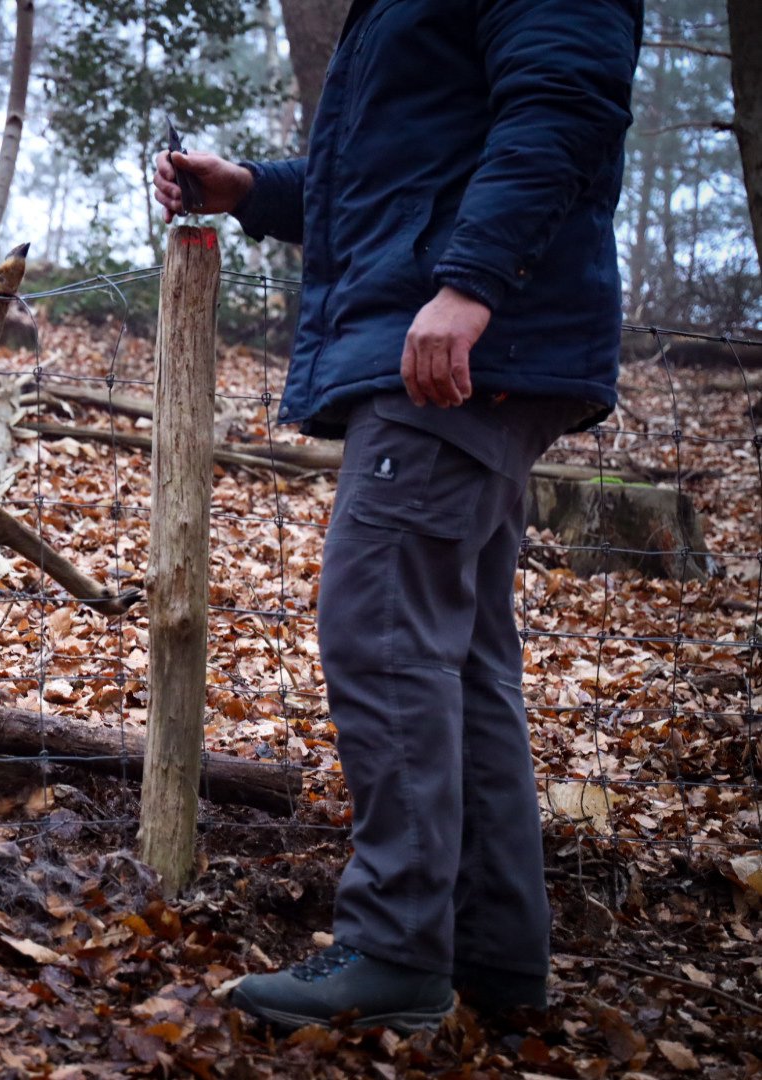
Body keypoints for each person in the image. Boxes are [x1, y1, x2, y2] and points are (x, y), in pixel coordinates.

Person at [155, 0, 642, 1032]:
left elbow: (563, 103)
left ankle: (395, 949)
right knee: (456, 656)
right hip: (470, 342)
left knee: (380, 629)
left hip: (467, 348)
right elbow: (391, 182)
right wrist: (252, 192)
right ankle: (496, 960)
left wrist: (472, 285)